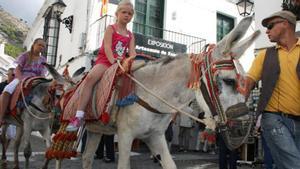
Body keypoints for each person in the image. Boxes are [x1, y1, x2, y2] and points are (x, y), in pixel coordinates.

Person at [66, 0, 137, 131]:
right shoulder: (111, 28)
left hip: (121, 64)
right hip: (106, 61)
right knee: (89, 80)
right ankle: (79, 116)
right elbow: (107, 47)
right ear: (117, 13)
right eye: (124, 12)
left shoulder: (131, 35)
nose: (127, 15)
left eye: (130, 14)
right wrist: (113, 61)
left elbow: (132, 53)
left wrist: (131, 63)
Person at [244, 10, 300, 169]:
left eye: (270, 26)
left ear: (285, 24)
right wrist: (236, 109)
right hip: (273, 118)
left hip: (298, 121)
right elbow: (248, 82)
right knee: (295, 164)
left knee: (285, 165)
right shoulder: (263, 55)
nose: (266, 31)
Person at [0, 38, 46, 125]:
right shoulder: (25, 55)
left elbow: (42, 72)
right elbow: (17, 69)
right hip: (21, 77)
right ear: (34, 45)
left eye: (43, 46)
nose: (41, 47)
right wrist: (20, 79)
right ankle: (1, 116)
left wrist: (43, 81)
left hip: (35, 80)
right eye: (39, 45)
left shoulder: (43, 60)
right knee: (7, 90)